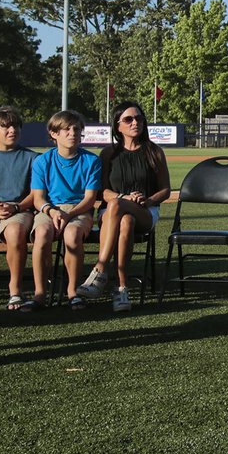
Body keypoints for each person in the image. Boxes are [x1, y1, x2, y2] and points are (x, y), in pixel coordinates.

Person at [77, 101, 171, 312]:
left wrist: (148, 201)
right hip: (111, 211)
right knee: (125, 220)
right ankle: (122, 289)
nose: (135, 123)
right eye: (128, 119)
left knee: (121, 208)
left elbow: (165, 190)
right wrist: (123, 197)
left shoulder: (154, 151)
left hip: (145, 210)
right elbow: (101, 191)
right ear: (117, 126)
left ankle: (100, 269)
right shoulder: (108, 154)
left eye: (139, 118)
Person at [30, 110, 102, 309]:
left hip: (79, 210)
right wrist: (52, 211)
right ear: (54, 134)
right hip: (50, 209)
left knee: (72, 235)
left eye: (76, 129)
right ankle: (40, 293)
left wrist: (69, 214)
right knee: (42, 233)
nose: (73, 133)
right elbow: (38, 198)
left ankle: (72, 291)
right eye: (66, 129)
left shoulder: (91, 161)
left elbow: (90, 199)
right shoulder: (42, 161)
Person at [0, 106, 40, 310]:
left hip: (19, 209)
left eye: (16, 126)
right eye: (6, 126)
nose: (13, 130)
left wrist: (16, 207)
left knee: (15, 231)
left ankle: (15, 289)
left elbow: (36, 194)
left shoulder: (33, 158)